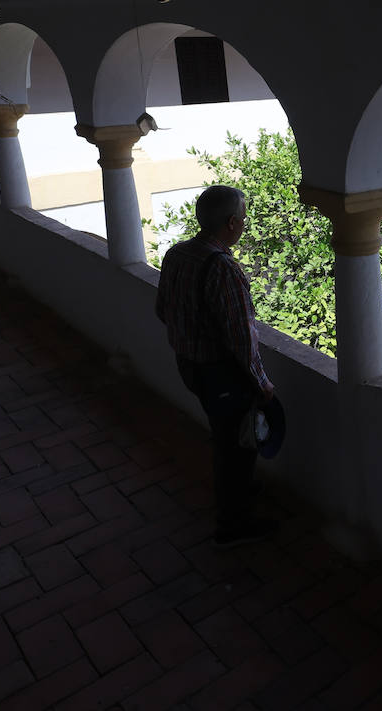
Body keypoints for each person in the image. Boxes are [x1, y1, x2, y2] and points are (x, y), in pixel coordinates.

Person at [155, 184, 277, 547]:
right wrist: (262, 382)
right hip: (220, 374)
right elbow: (241, 336)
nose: (244, 224)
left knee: (225, 434)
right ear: (231, 223)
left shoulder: (178, 254)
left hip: (189, 365)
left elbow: (162, 309)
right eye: (242, 218)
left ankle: (238, 493)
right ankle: (232, 524)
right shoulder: (224, 269)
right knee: (235, 446)